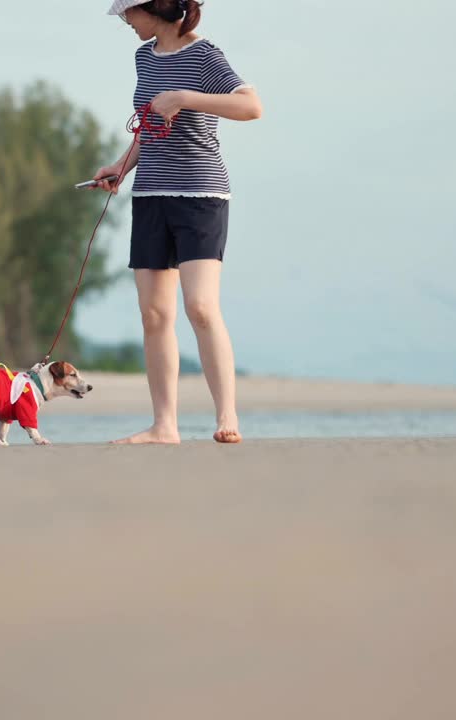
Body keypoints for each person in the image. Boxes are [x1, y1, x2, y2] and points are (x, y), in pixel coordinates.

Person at [94, 0, 263, 444]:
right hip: (150, 194)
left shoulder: (205, 55)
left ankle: (227, 418)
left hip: (201, 196)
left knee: (201, 308)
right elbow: (147, 129)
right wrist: (120, 166)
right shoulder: (143, 57)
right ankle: (164, 425)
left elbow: (251, 107)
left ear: (153, 9)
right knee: (154, 314)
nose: (126, 21)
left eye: (129, 13)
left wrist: (186, 98)